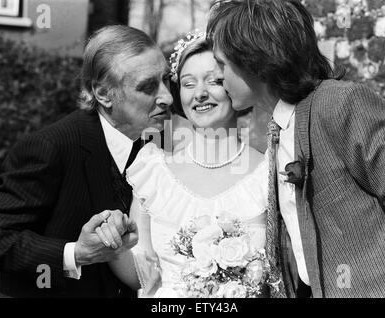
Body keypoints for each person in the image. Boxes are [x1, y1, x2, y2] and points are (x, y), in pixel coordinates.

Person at [207, 0, 385, 298]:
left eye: (222, 64)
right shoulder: (277, 130)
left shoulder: (340, 104)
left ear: (253, 58)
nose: (217, 76)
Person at [0, 25, 173, 297]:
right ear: (103, 94)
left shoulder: (158, 142)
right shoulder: (51, 147)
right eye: (148, 87)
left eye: (167, 80)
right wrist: (75, 253)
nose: (167, 97)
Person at [101, 33, 271, 297]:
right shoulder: (153, 170)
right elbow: (141, 277)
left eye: (214, 81)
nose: (200, 94)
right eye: (188, 83)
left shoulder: (268, 173)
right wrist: (112, 243)